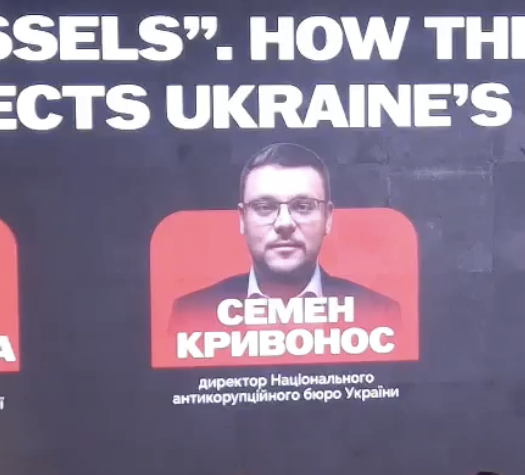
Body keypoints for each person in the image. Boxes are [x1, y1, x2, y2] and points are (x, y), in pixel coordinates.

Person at [167, 142, 402, 333]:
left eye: (302, 206)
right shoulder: (192, 313)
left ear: (328, 218)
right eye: (264, 206)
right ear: (242, 218)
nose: (284, 224)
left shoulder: (379, 312)